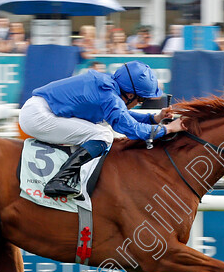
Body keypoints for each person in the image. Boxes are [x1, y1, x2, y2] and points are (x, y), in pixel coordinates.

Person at [19, 61, 183, 197]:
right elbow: (132, 129)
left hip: (38, 110)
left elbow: (122, 114)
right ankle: (59, 181)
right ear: (130, 94)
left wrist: (154, 119)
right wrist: (168, 129)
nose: (139, 103)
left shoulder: (108, 86)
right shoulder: (108, 95)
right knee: (103, 135)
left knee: (100, 131)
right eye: (140, 99)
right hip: (38, 116)